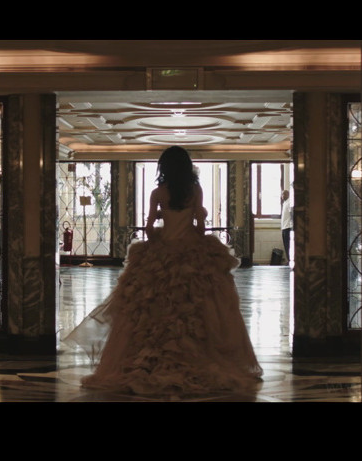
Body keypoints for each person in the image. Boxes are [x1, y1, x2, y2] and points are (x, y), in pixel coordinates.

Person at [63, 146, 262, 395]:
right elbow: (200, 229)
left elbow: (148, 228)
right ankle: (196, 355)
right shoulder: (195, 190)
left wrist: (161, 220)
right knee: (200, 306)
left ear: (164, 168)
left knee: (149, 308)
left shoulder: (158, 192)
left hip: (162, 249)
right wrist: (196, 216)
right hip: (192, 250)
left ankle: (150, 359)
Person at [280, 189, 293, 264]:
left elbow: (291, 214)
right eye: (282, 194)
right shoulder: (285, 203)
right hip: (284, 227)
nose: (282, 196)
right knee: (286, 245)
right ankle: (289, 260)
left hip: (288, 227)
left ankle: (290, 260)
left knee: (288, 245)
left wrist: (292, 225)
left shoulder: (289, 202)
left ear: (287, 194)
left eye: (283, 194)